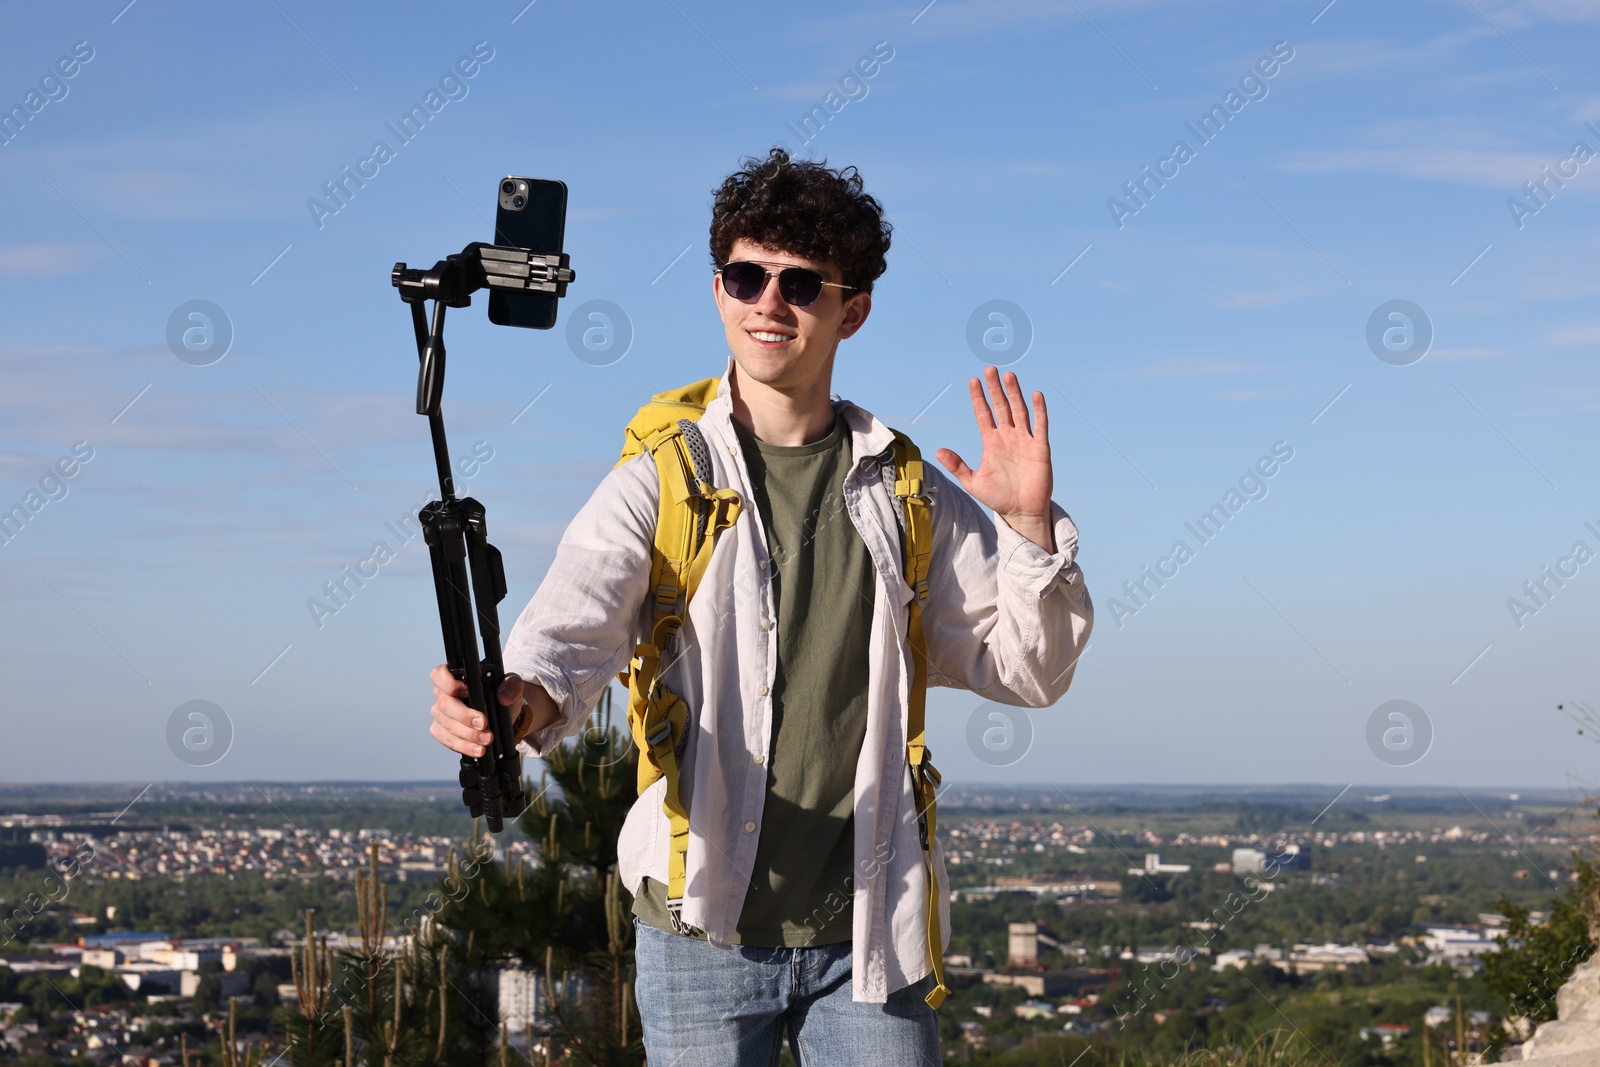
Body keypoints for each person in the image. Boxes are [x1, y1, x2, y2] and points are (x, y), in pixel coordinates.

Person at [428, 147, 1094, 1065]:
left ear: (851, 309)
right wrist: (515, 701)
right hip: (699, 924)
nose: (768, 303)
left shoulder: (905, 491)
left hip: (867, 936)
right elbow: (567, 639)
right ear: (717, 292)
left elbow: (1030, 668)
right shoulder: (660, 482)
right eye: (746, 277)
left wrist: (1024, 532)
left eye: (801, 284)